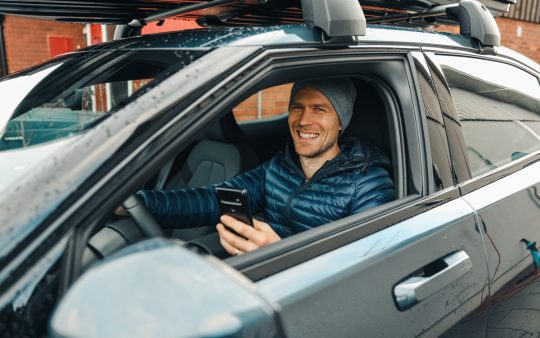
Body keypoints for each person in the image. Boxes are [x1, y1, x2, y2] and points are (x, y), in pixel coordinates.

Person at [137, 78, 395, 256]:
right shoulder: (279, 166)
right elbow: (212, 199)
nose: (304, 120)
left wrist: (281, 251)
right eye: (297, 107)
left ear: (341, 121)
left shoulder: (369, 182)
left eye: (319, 109)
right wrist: (140, 203)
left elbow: (364, 266)